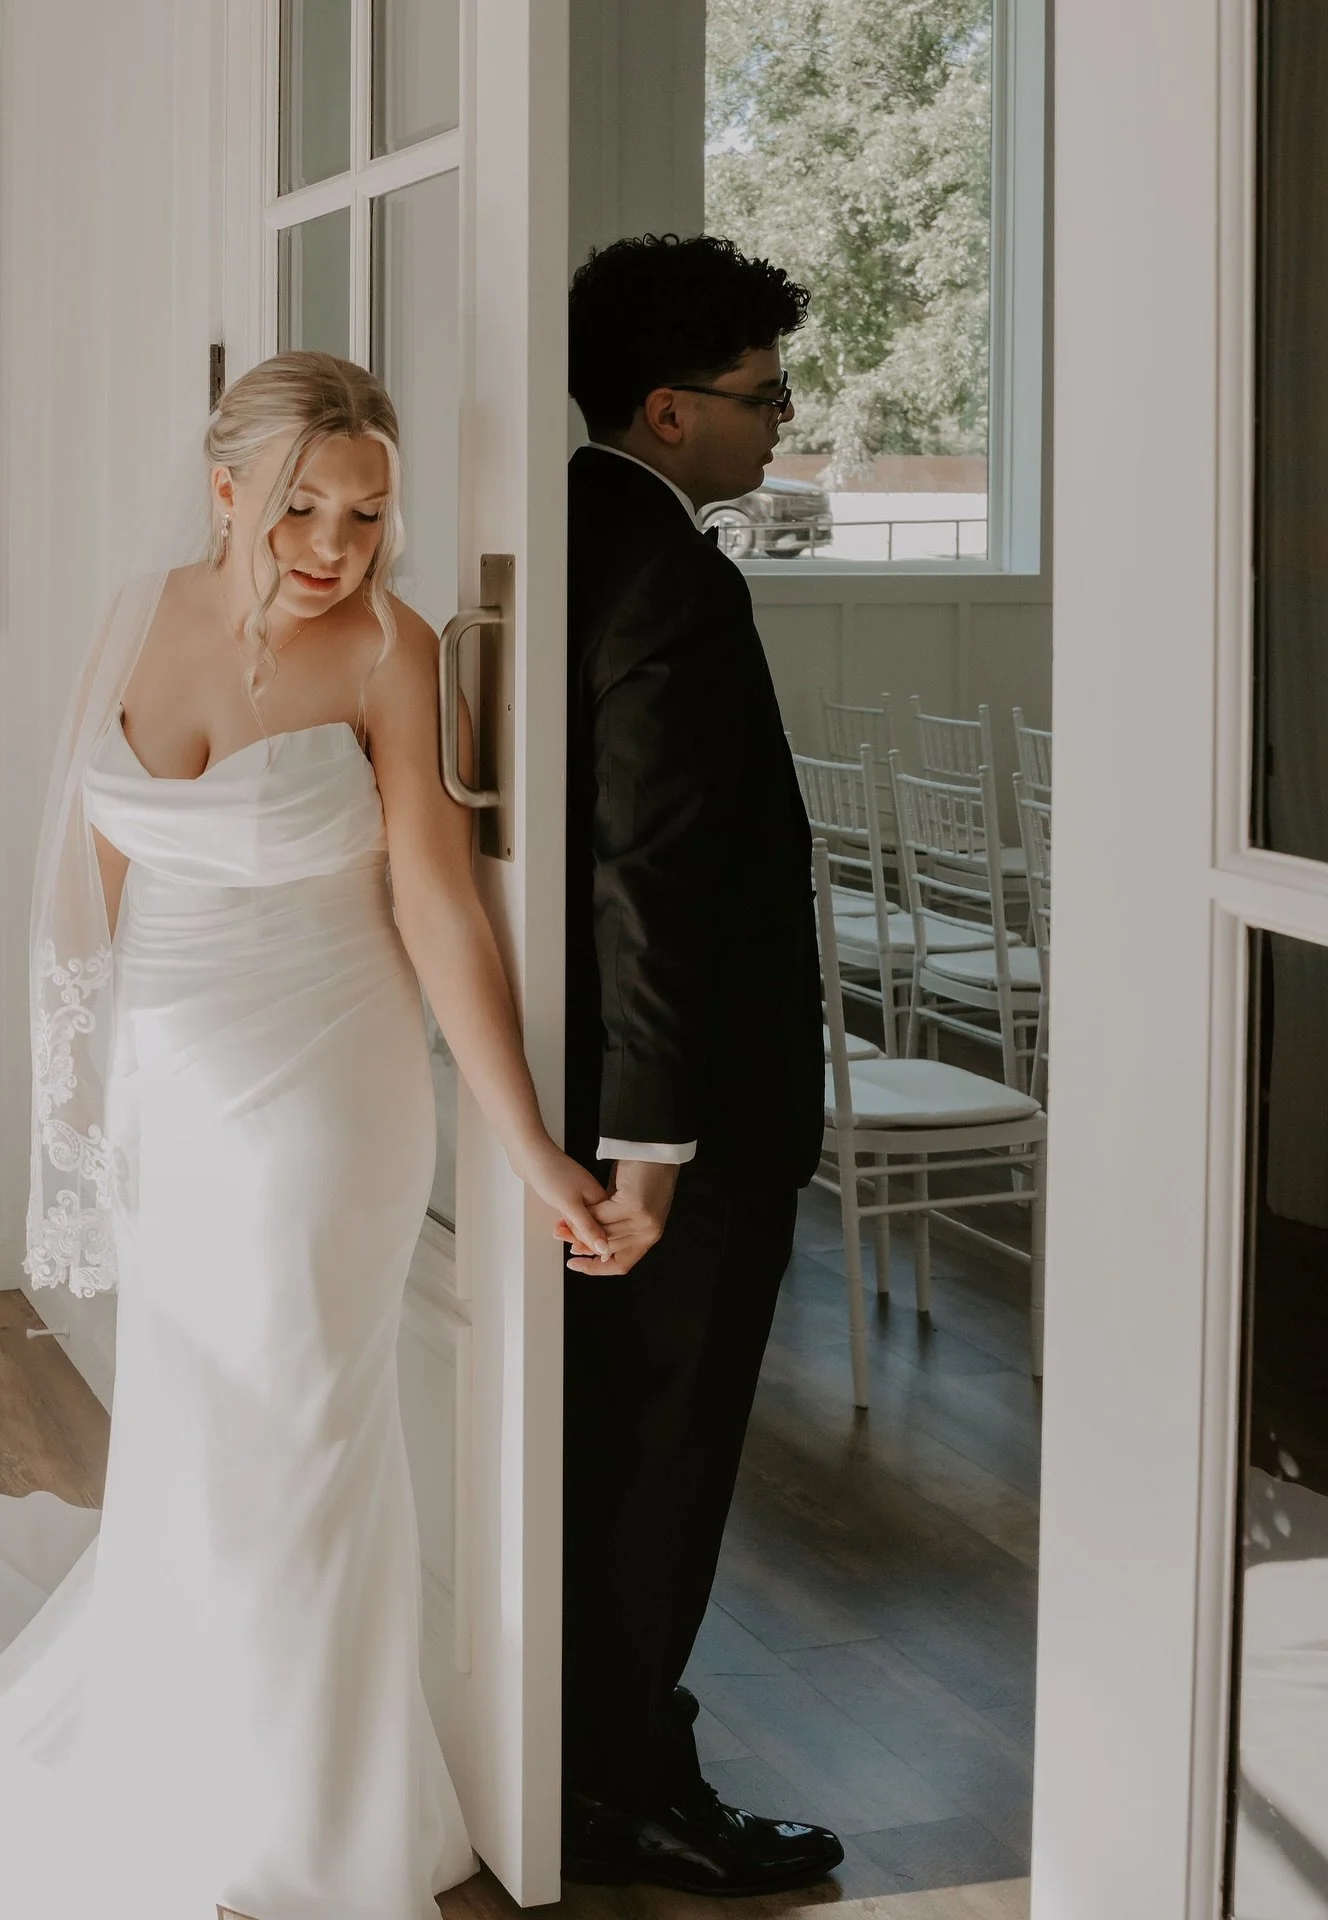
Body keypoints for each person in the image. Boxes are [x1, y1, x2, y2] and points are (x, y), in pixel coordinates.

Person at [0, 352, 616, 1920]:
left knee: (302, 1430)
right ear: (226, 492)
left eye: (365, 513)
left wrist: (530, 1144)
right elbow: (94, 871)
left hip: (324, 1089)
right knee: (196, 1426)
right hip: (170, 1088)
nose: (336, 546)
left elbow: (441, 906)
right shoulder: (135, 615)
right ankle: (188, 1755)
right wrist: (90, 1098)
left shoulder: (391, 651)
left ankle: (310, 1821)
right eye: (302, 509)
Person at [559, 234, 845, 1896]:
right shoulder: (669, 572)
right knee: (665, 1460)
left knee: (616, 1450)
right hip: (685, 1121)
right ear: (668, 410)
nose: (781, 418)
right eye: (763, 393)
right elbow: (652, 871)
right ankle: (624, 1791)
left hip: (601, 1085)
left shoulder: (566, 528)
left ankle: (595, 1752)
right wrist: (654, 1141)